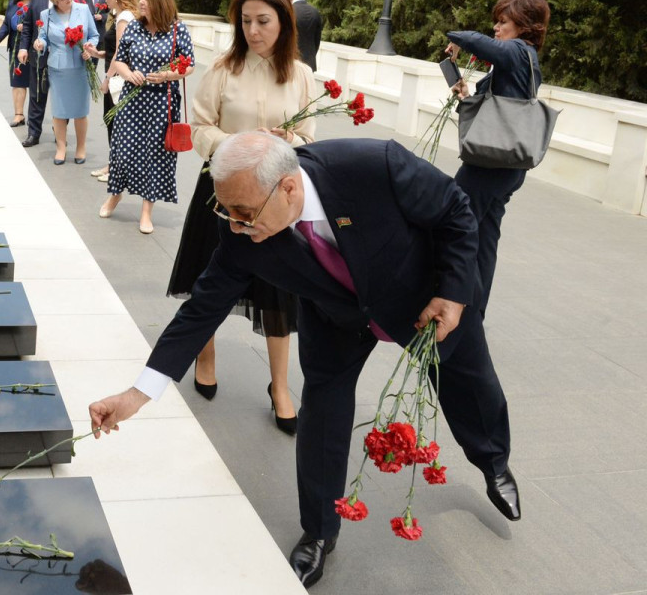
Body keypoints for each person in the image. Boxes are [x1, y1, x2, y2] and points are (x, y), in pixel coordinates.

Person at [89, 131, 519, 588]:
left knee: (467, 380)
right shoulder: (240, 225)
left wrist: (452, 293)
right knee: (323, 414)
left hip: (420, 294)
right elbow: (202, 307)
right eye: (226, 211)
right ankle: (318, 530)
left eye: (244, 214)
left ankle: (492, 461)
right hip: (334, 315)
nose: (235, 225)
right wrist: (138, 394)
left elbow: (457, 210)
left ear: (289, 188)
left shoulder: (374, 164)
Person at [169, 0, 317, 422]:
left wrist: (287, 139)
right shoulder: (222, 70)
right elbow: (200, 128)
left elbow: (309, 137)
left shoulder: (302, 75)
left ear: (283, 22)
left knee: (278, 290)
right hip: (220, 188)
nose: (253, 30)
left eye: (263, 21)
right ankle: (206, 357)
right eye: (246, 21)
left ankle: (281, 384)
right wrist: (238, 146)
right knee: (207, 277)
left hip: (273, 197)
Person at [445, 0, 550, 316]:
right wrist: (465, 93)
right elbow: (498, 110)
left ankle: (451, 305)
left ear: (523, 25)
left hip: (488, 166)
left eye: (503, 21)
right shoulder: (528, 60)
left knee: (457, 227)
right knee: (484, 238)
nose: (496, 28)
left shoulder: (517, 51)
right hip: (508, 167)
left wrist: (457, 39)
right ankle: (473, 312)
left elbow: (475, 40)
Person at [101, 0, 194, 234]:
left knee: (155, 156)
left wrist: (167, 75)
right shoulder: (133, 27)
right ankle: (115, 194)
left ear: (159, 2)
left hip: (161, 103)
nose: (140, 2)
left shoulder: (178, 30)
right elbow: (119, 60)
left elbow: (189, 65)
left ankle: (146, 212)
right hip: (132, 100)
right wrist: (129, 74)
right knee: (122, 150)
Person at [17, 0, 89, 148]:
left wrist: (89, 56)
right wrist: (24, 47)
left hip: (68, 60)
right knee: (37, 96)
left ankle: (60, 135)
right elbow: (27, 27)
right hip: (40, 58)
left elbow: (91, 31)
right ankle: (33, 133)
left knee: (63, 97)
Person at [32, 0, 99, 164]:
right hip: (58, 68)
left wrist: (89, 47)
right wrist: (39, 43)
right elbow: (43, 38)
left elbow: (94, 35)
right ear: (55, 0)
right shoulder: (46, 15)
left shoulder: (83, 10)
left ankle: (81, 147)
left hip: (81, 66)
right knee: (59, 111)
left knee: (80, 110)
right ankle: (61, 148)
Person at [86, 0, 138, 183]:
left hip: (118, 77)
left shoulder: (124, 17)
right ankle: (113, 165)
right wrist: (98, 54)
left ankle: (117, 170)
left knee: (114, 122)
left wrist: (106, 79)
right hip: (117, 72)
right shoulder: (123, 15)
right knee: (114, 123)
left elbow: (120, 51)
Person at [289, 0, 323, 71]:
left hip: (291, 62)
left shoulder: (289, 11)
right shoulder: (315, 12)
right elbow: (317, 40)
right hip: (309, 64)